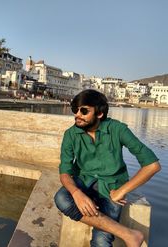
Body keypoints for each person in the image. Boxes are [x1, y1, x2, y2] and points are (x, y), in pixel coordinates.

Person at [54, 89, 161, 247]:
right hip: (84, 180)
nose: (78, 114)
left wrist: (122, 191)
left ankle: (128, 235)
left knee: (101, 240)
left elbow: (152, 165)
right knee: (62, 198)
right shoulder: (71, 134)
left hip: (111, 185)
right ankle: (128, 234)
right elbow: (64, 172)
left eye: (84, 111)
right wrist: (77, 193)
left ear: (99, 114)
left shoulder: (117, 129)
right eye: (75, 109)